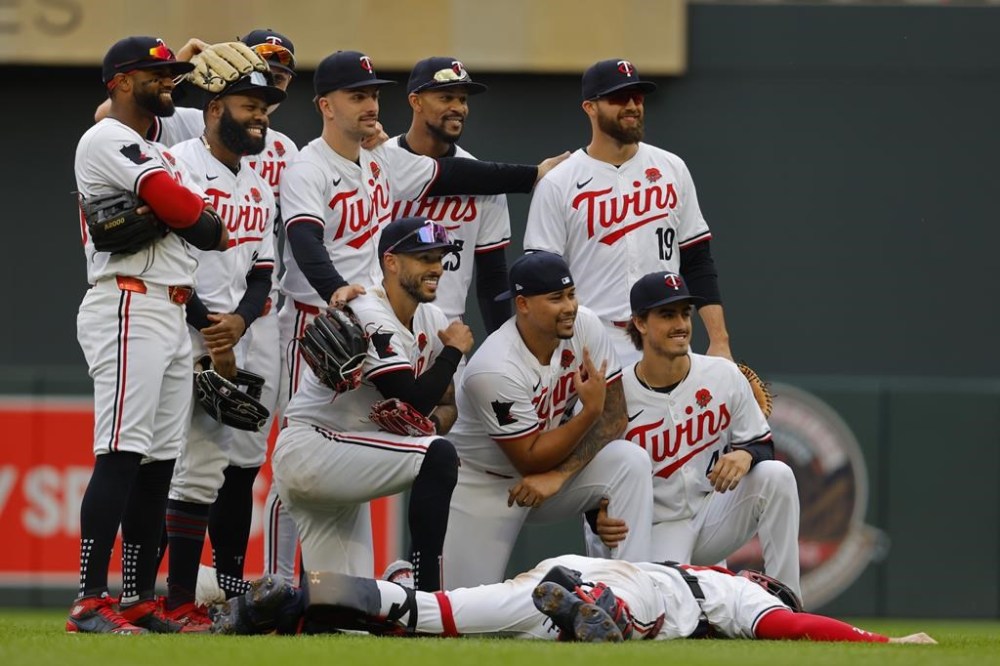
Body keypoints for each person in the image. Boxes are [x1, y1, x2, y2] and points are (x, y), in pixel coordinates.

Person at [272, 49, 566, 581]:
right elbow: (304, 239)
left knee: (360, 459)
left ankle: (350, 587)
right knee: (301, 461)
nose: (368, 104)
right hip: (322, 322)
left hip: (384, 322)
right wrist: (338, 290)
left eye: (371, 94)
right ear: (325, 104)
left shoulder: (381, 162)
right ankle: (277, 580)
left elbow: (455, 176)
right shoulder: (310, 165)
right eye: (357, 95)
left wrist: (530, 175)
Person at [69, 35, 228, 634]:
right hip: (127, 302)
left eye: (172, 75)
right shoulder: (106, 138)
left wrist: (179, 211)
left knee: (159, 462)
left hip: (170, 305)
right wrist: (181, 210)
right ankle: (89, 598)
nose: (168, 81)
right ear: (117, 81)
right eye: (153, 74)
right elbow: (191, 216)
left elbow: (205, 224)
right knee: (121, 453)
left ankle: (136, 597)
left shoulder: (149, 145)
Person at [271, 217, 474, 592]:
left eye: (439, 258)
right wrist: (452, 351)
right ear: (392, 262)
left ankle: (271, 611)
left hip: (349, 455)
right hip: (314, 448)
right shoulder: (367, 309)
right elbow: (412, 396)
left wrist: (427, 422)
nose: (435, 268)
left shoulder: (431, 316)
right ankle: (426, 598)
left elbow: (444, 402)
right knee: (437, 456)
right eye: (423, 257)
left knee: (343, 608)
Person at [439, 251, 653, 589]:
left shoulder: (585, 325)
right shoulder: (494, 367)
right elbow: (530, 456)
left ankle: (634, 595)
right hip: (482, 484)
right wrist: (590, 413)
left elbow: (615, 418)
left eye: (571, 294)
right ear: (522, 304)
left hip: (551, 474)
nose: (569, 306)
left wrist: (560, 475)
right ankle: (404, 574)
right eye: (556, 299)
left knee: (630, 461)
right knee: (459, 611)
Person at [160, 70, 286, 625]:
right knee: (158, 461)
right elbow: (167, 253)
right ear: (214, 109)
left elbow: (262, 269)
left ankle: (186, 598)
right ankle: (145, 594)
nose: (260, 115)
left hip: (232, 335)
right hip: (174, 327)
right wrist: (210, 326)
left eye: (265, 106)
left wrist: (235, 321)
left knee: (217, 464)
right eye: (248, 104)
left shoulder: (257, 184)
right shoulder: (179, 163)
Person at [592, 271, 801, 599]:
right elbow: (591, 473)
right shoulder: (617, 394)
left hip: (712, 515)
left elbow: (762, 442)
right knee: (668, 609)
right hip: (655, 527)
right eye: (667, 314)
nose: (681, 323)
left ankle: (786, 604)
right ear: (641, 324)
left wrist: (746, 454)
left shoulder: (722, 374)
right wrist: (596, 516)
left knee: (777, 476)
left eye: (685, 313)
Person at [211, 555, 936, 645]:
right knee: (644, 618)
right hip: (625, 592)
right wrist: (877, 644)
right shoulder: (726, 590)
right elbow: (792, 623)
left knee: (428, 616)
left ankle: (300, 600)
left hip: (544, 579)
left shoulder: (696, 567)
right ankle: (594, 612)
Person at [523, 59, 731, 365]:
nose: (632, 105)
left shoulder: (672, 168)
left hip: (663, 333)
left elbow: (697, 259)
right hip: (591, 339)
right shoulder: (559, 182)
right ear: (590, 108)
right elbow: (540, 278)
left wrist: (719, 341)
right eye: (619, 97)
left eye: (638, 96)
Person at [386, 56, 512, 333]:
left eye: (463, 99)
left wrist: (502, 345)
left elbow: (493, 278)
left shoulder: (484, 179)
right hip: (382, 323)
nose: (458, 108)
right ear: (416, 101)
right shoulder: (379, 163)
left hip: (447, 331)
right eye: (446, 97)